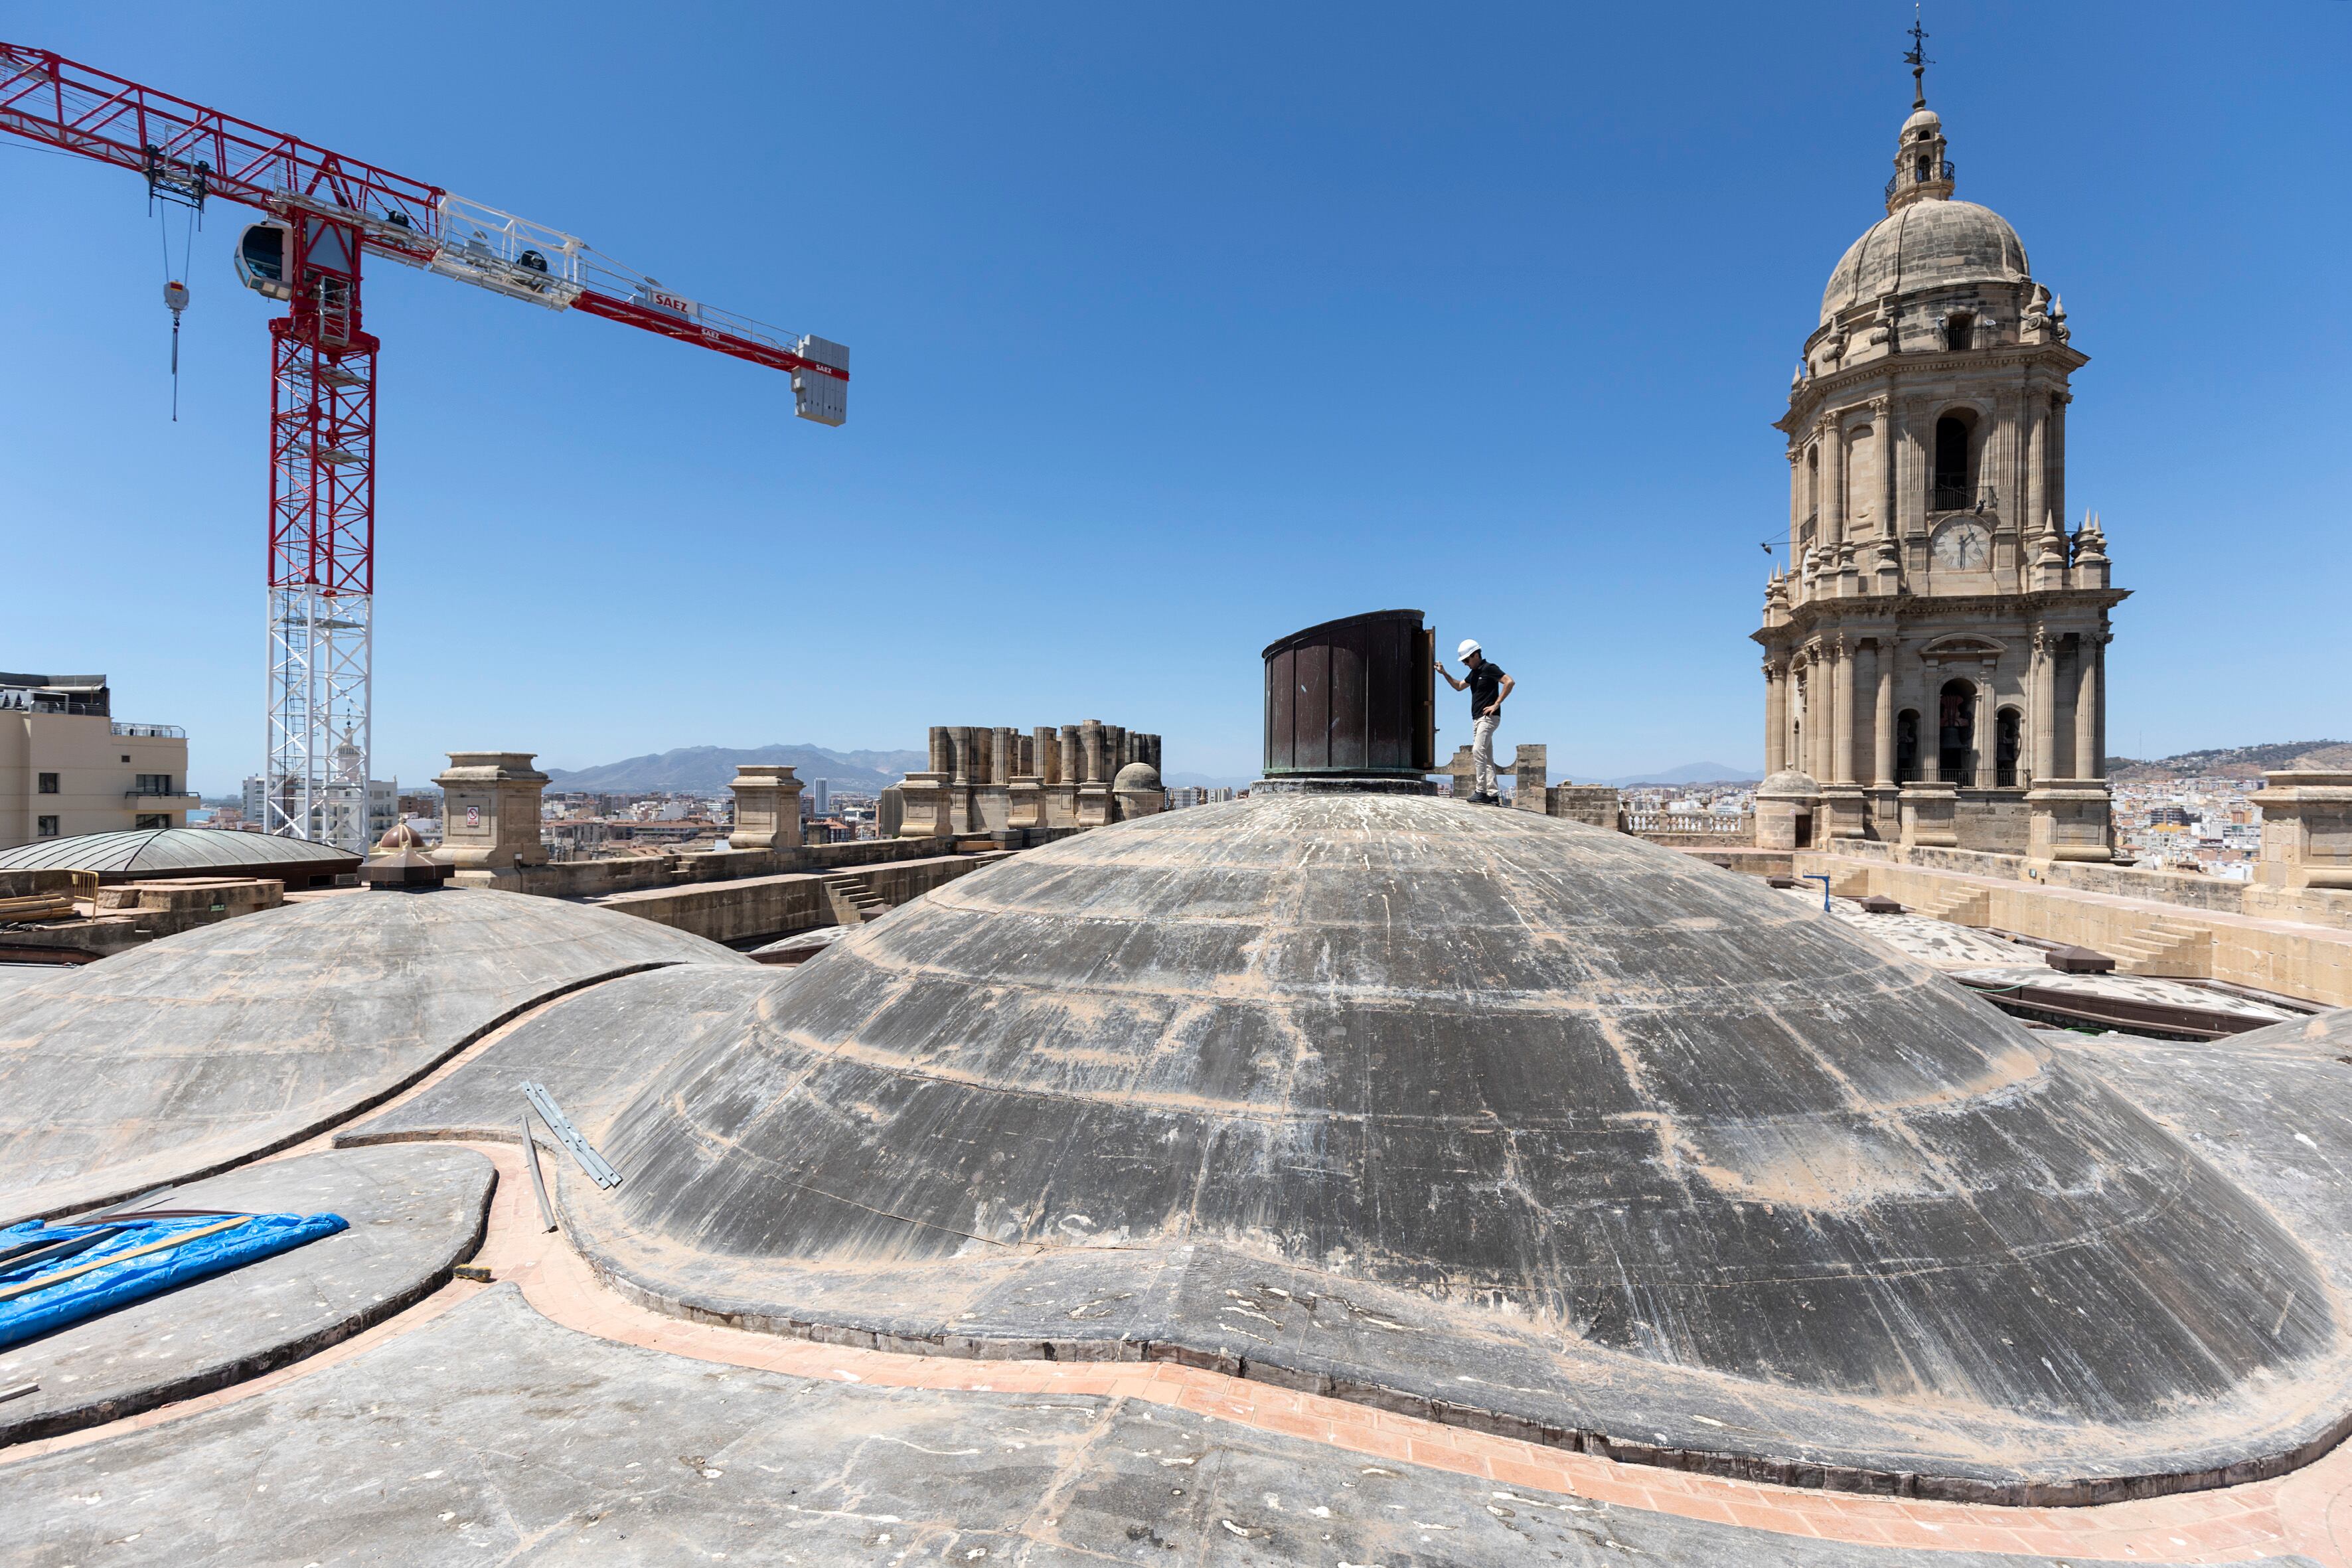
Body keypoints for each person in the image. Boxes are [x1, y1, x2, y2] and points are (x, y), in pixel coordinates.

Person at [1436, 638, 1514, 803]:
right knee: (1487, 756)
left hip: (1488, 718)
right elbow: (1458, 686)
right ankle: (1493, 795)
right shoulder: (1474, 673)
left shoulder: (1489, 668)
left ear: (1476, 655)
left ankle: (1481, 791)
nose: (1465, 663)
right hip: (1477, 719)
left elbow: (1509, 681)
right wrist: (1444, 673)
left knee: (1478, 751)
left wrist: (1497, 704)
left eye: (1466, 660)